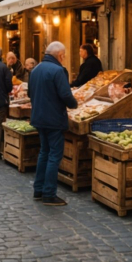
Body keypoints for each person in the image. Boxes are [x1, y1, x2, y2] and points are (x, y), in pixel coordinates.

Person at [29, 41, 79, 206]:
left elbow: (30, 93)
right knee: (54, 156)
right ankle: (49, 194)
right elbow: (66, 94)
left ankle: (38, 190)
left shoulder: (35, 70)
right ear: (60, 55)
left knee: (44, 152)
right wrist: (74, 104)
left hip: (39, 118)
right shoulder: (58, 71)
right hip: (54, 119)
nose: (63, 58)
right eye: (63, 56)